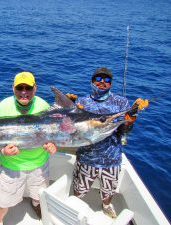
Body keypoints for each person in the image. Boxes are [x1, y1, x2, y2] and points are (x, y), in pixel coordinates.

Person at [67, 67, 149, 218]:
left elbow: (124, 131)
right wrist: (70, 109)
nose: (102, 82)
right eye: (98, 79)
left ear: (111, 84)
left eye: (107, 80)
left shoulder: (121, 102)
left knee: (108, 191)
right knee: (78, 190)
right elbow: (71, 129)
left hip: (111, 160)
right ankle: (76, 207)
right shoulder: (81, 102)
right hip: (86, 159)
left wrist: (129, 119)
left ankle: (106, 206)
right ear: (92, 82)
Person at [0, 71, 57, 225]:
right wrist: (3, 150)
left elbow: (53, 134)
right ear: (13, 88)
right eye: (20, 88)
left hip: (40, 164)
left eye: (28, 88)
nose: (24, 92)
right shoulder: (1, 108)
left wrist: (52, 145)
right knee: (4, 202)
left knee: (38, 195)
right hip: (11, 166)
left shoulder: (44, 107)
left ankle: (36, 204)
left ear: (35, 89)